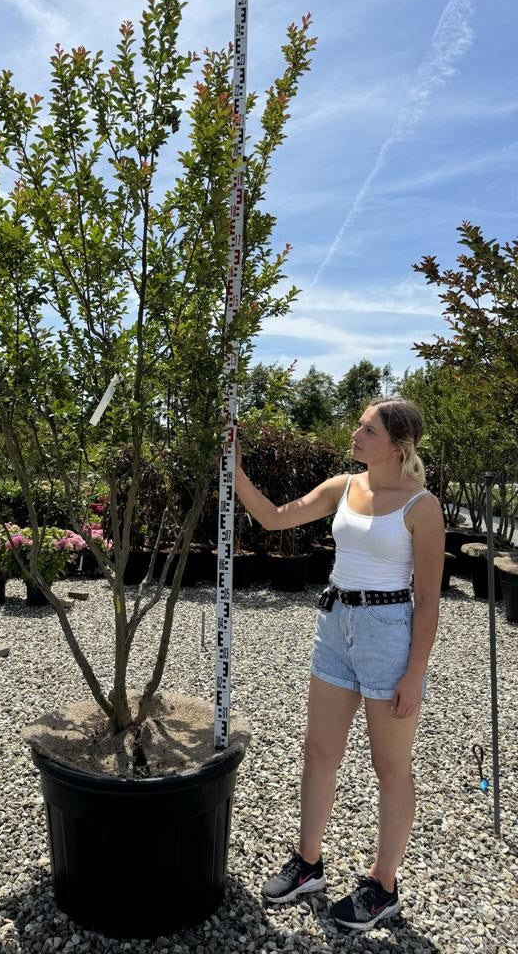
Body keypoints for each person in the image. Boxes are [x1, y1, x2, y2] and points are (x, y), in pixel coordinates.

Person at [235, 397, 444, 931]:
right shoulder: (344, 486)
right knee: (319, 749)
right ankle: (309, 863)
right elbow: (274, 517)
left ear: (397, 445)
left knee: (390, 766)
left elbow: (428, 599)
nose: (355, 434)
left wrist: (414, 674)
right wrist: (233, 470)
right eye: (358, 425)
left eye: (367, 429)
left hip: (386, 634)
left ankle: (383, 885)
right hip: (334, 625)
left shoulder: (421, 507)